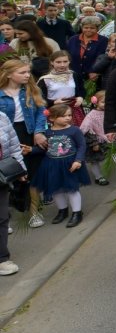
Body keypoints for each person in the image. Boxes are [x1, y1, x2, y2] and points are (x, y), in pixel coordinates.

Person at [0, 59, 49, 227]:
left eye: (28, 72)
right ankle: (5, 219)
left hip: (28, 133)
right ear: (8, 74)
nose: (27, 75)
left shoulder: (30, 89)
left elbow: (42, 111)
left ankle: (34, 212)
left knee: (32, 175)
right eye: (22, 72)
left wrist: (39, 131)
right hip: (7, 136)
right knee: (7, 175)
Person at [32, 104, 89, 227]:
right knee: (56, 189)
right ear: (52, 118)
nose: (68, 118)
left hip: (70, 164)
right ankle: (62, 210)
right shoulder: (47, 132)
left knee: (72, 189)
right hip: (52, 164)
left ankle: (76, 213)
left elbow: (82, 146)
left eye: (69, 115)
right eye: (63, 116)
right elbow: (44, 148)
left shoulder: (74, 130)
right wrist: (31, 150)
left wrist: (78, 160)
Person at [0, 111, 26, 275]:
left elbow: (13, 146)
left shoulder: (1, 116)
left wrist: (20, 168)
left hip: (1, 174)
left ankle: (2, 259)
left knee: (1, 217)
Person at [37, 50, 85, 125]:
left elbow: (81, 89)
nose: (62, 65)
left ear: (69, 62)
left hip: (73, 109)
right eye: (58, 62)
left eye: (65, 61)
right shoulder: (45, 79)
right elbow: (39, 98)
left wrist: (81, 97)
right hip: (55, 110)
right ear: (52, 62)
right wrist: (53, 102)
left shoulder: (74, 75)